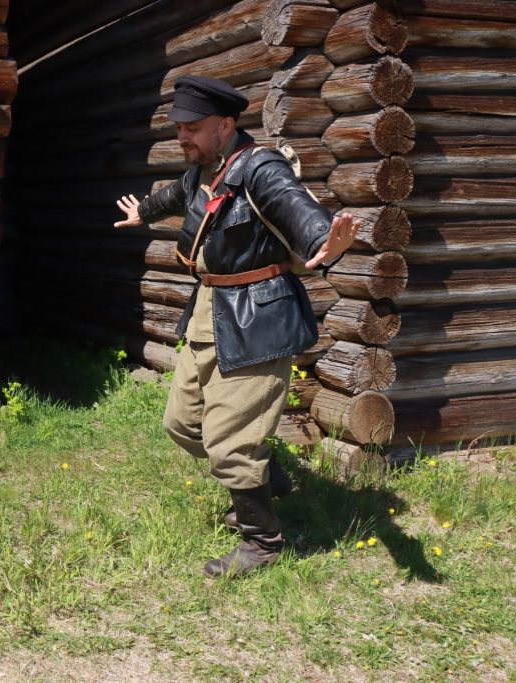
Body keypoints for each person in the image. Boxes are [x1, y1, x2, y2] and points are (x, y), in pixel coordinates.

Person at [114, 76, 360, 578]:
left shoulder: (259, 168)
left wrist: (324, 242)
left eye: (192, 128)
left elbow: (298, 209)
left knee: (230, 443)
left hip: (258, 314)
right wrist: (144, 211)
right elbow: (175, 195)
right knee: (182, 423)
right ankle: (266, 479)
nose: (182, 137)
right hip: (210, 306)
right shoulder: (205, 169)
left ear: (226, 125)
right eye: (179, 128)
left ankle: (263, 543)